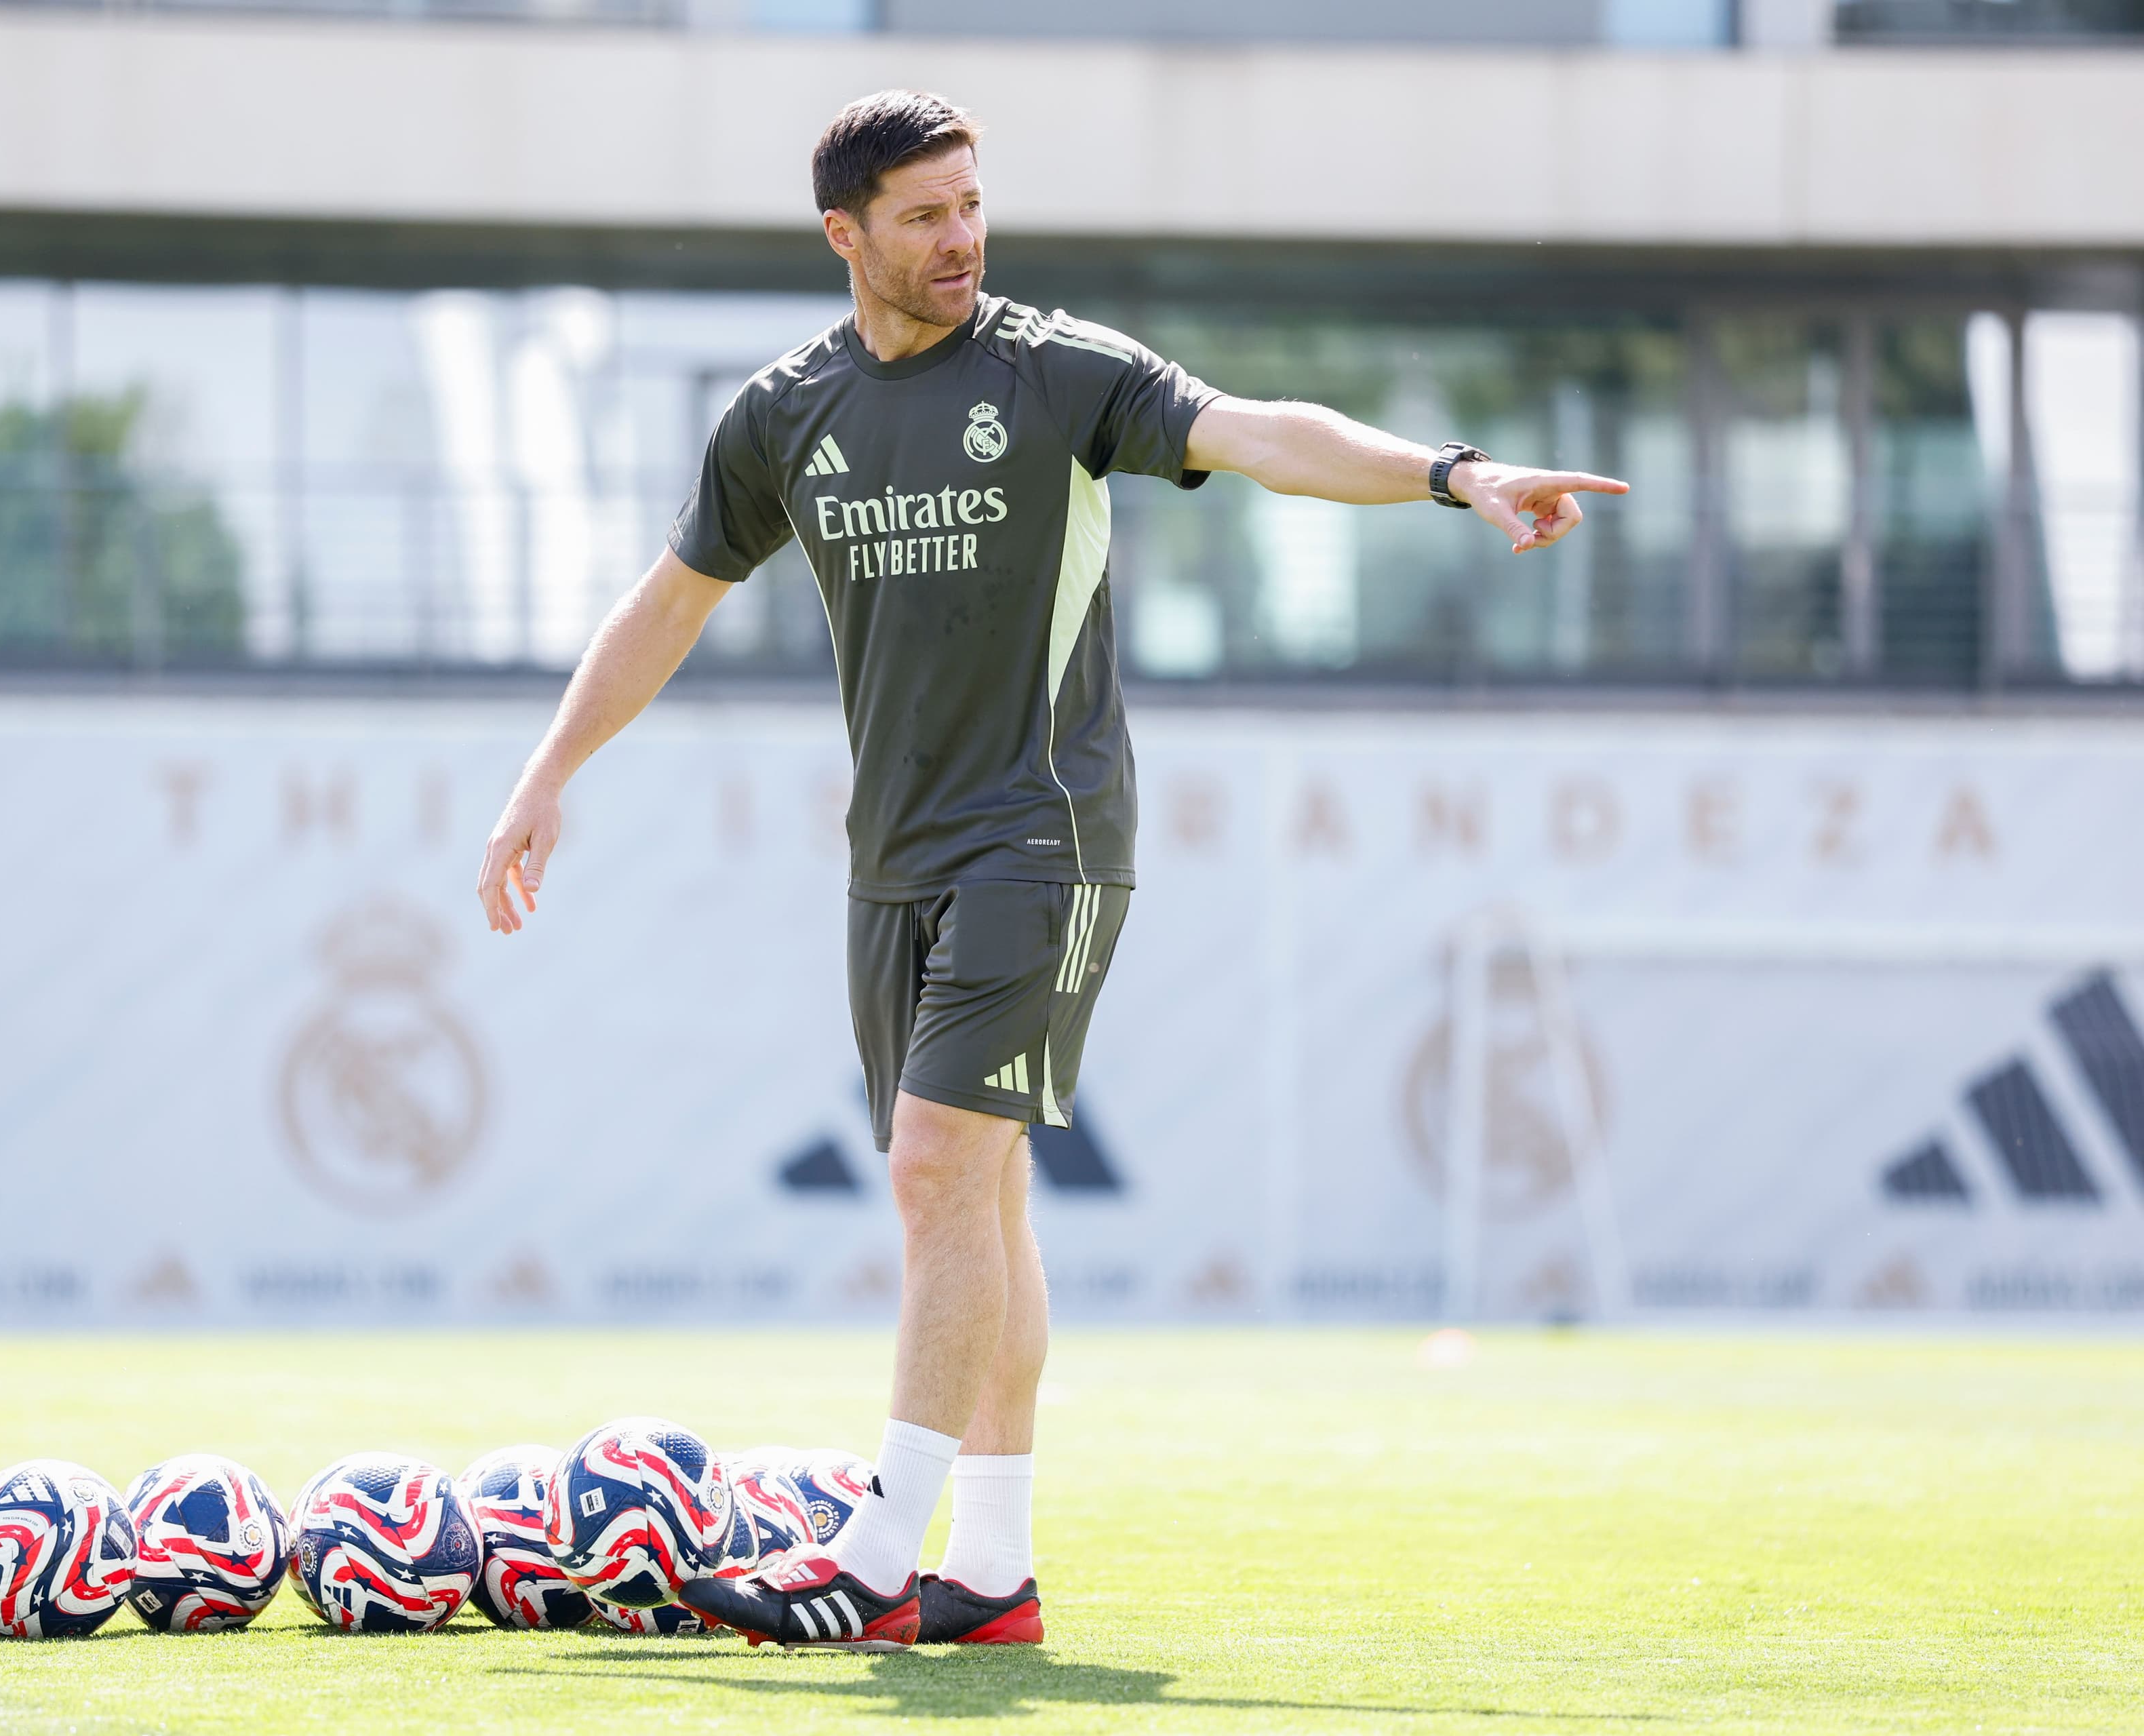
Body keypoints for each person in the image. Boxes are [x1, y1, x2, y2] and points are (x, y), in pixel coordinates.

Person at [477, 89, 1627, 1652]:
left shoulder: (1053, 368)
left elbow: (1262, 432)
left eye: (972, 205)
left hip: (1045, 833)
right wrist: (549, 771)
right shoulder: (780, 413)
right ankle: (993, 1570)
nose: (964, 239)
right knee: (978, 1203)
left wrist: (1454, 473)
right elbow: (672, 600)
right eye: (924, 217)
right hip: (891, 860)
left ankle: (877, 1553)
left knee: (939, 1166)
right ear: (845, 235)